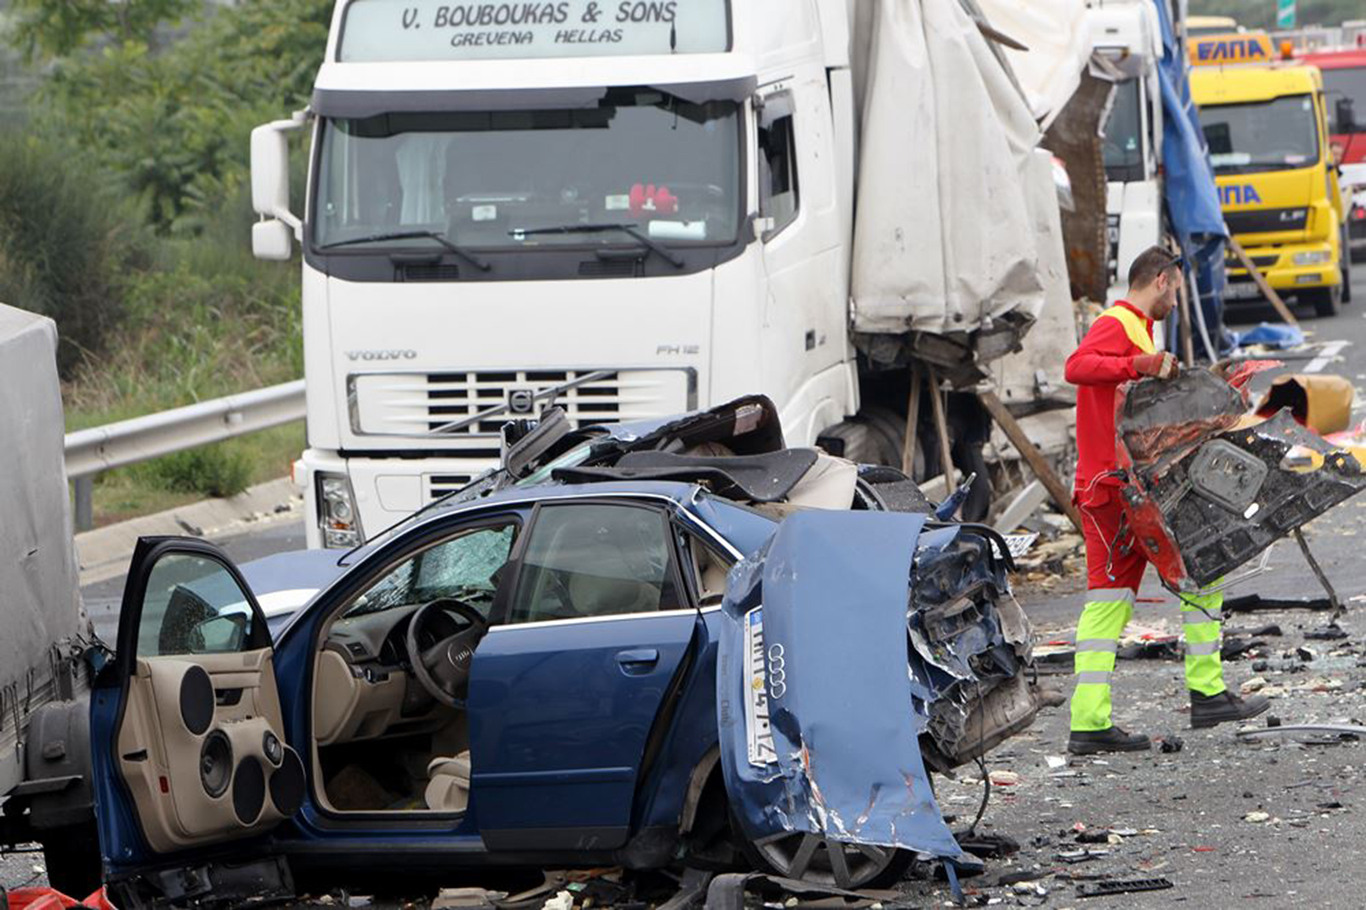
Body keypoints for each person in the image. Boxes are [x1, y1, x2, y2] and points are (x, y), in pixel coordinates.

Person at [1062, 246, 1269, 755]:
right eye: (1174, 288)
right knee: (1192, 576)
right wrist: (1143, 363)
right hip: (1115, 491)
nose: (1176, 300)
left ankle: (1094, 720)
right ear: (1159, 279)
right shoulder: (1119, 324)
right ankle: (1202, 693)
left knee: (1152, 587)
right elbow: (1077, 366)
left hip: (1122, 489)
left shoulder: (1137, 329)